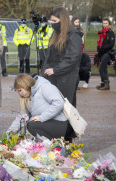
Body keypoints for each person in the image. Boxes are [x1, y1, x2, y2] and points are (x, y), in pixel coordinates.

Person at [42, 7, 82, 142]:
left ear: (62, 20)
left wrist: (56, 70)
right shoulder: (56, 35)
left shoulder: (73, 35)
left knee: (65, 109)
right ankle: (55, 137)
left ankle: (66, 139)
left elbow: (73, 58)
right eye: (51, 20)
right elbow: (49, 57)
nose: (52, 23)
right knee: (53, 107)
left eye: (54, 20)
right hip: (52, 76)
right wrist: (44, 74)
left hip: (66, 78)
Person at [14, 74, 71, 141]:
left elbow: (59, 103)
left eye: (20, 90)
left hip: (60, 124)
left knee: (31, 125)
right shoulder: (28, 97)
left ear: (25, 85)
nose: (20, 94)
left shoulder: (44, 86)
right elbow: (22, 116)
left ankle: (51, 144)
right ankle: (48, 144)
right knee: (31, 125)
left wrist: (41, 117)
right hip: (48, 123)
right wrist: (10, 132)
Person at [96, 17, 115, 90]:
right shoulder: (101, 32)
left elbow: (111, 44)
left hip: (108, 53)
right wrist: (99, 49)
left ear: (109, 24)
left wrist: (102, 48)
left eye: (106, 23)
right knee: (103, 68)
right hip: (102, 53)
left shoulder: (110, 32)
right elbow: (100, 43)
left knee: (101, 68)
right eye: (104, 23)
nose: (105, 25)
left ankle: (106, 85)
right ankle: (103, 84)